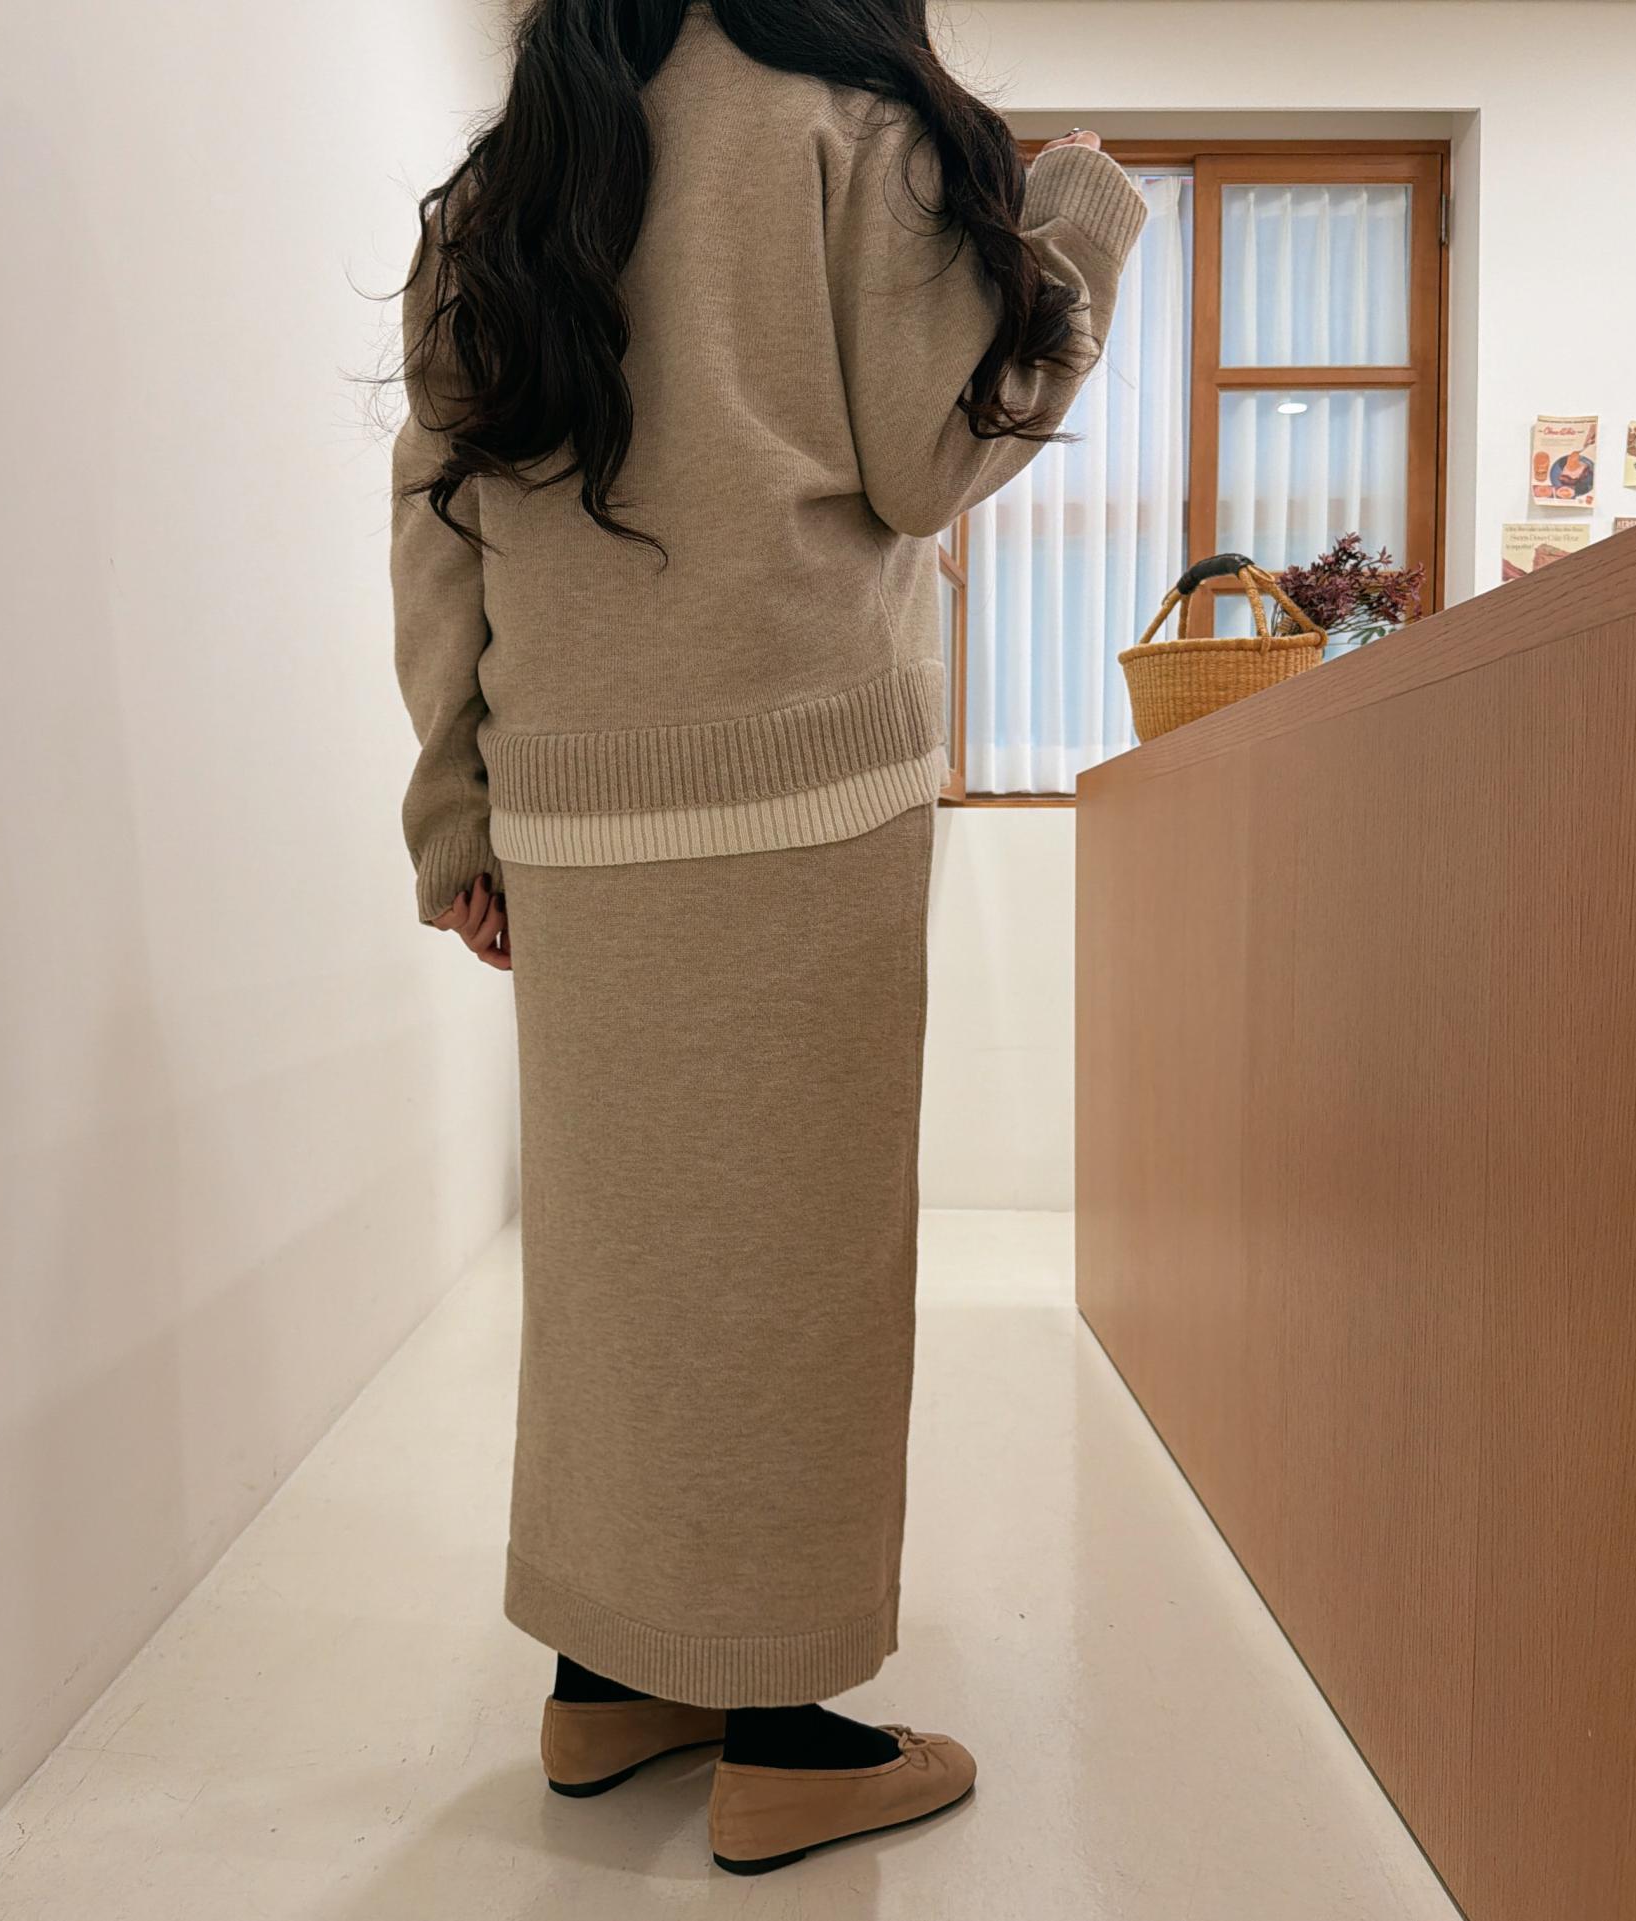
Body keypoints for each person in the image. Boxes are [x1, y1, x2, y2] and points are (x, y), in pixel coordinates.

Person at [389, 0, 1144, 1875]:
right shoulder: (850, 132)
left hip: (573, 810)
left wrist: (458, 811)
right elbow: (929, 462)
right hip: (804, 790)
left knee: (616, 1265)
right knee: (794, 1274)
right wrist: (1078, 226)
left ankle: (606, 1675)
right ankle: (787, 1733)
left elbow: (437, 513)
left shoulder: (506, 184)